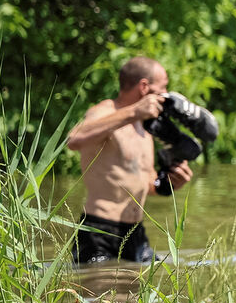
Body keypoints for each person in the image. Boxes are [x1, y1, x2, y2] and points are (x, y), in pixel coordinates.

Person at [66, 56, 193, 264]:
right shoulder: (105, 112)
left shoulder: (145, 127)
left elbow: (147, 181)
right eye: (163, 87)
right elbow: (74, 139)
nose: (166, 94)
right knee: (100, 293)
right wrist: (134, 112)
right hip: (98, 231)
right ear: (144, 87)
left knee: (142, 292)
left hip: (135, 233)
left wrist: (169, 182)